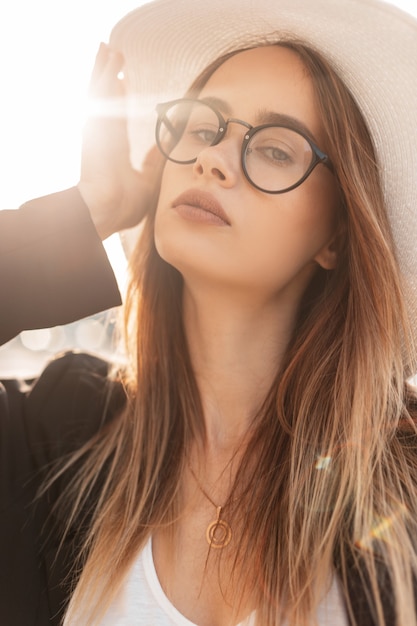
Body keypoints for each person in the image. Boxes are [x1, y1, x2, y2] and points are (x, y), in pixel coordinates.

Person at [1, 0, 417, 625]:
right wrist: (92, 208)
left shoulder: (404, 486)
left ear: (336, 234)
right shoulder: (55, 435)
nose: (213, 159)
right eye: (202, 127)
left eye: (276, 150)